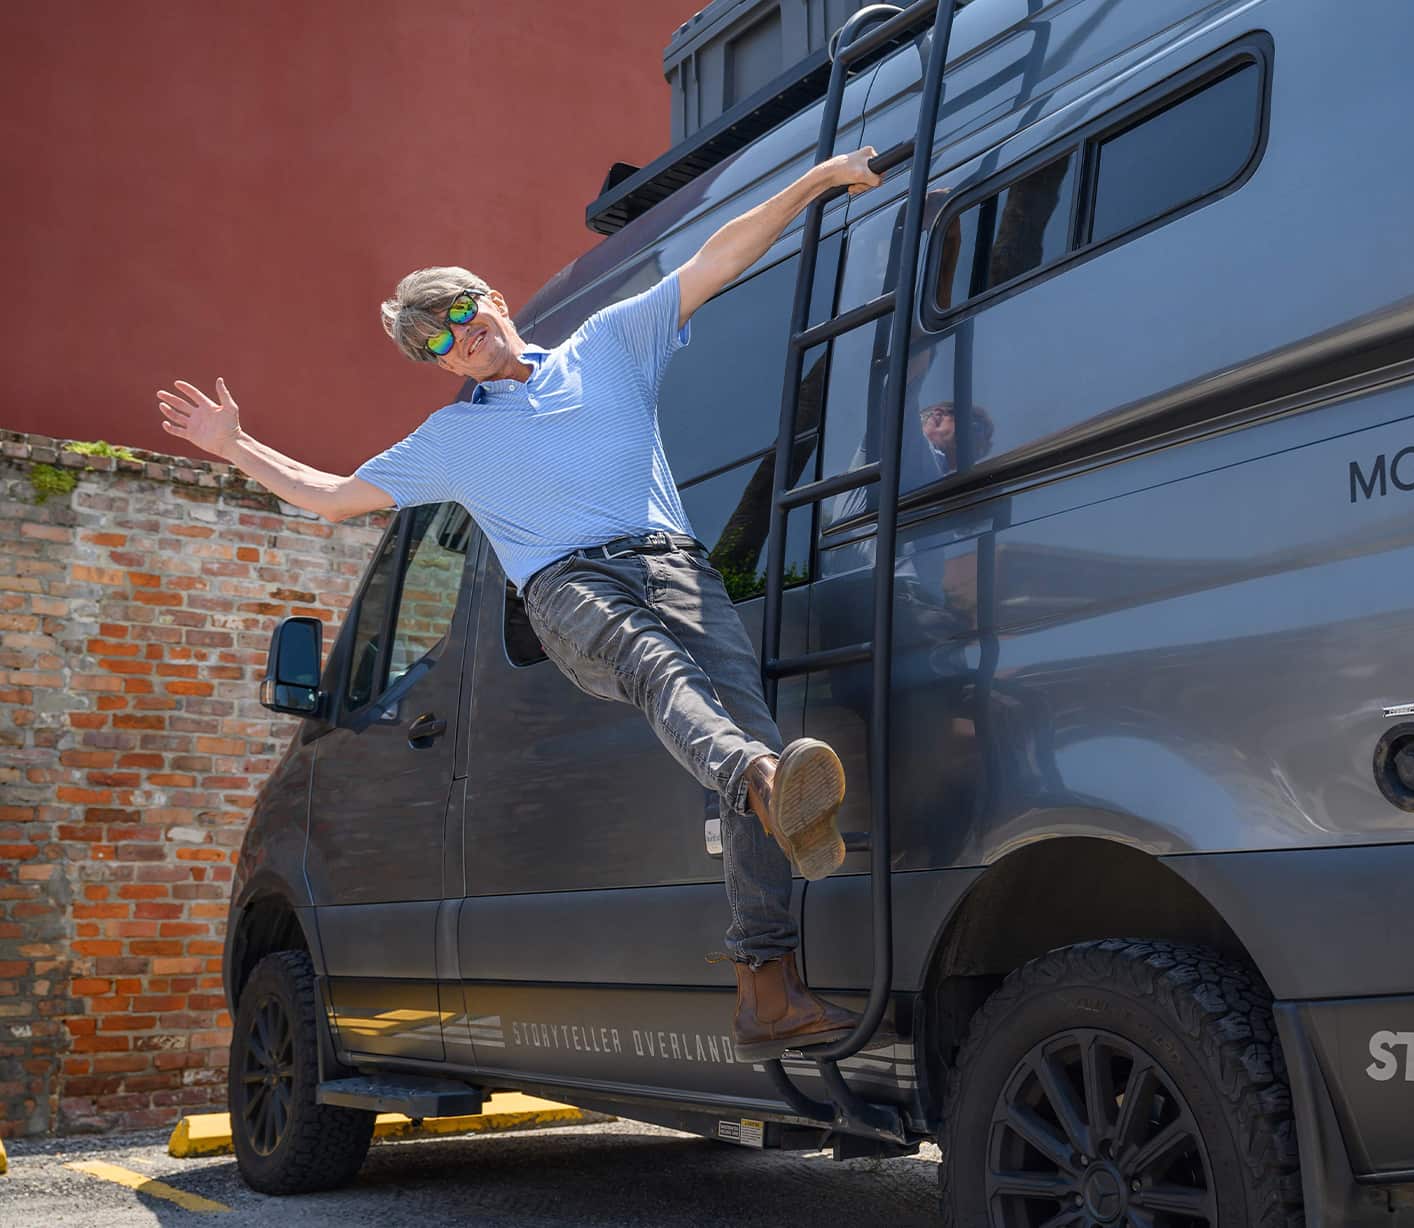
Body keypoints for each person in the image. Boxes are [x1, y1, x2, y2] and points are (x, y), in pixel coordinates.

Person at [156, 148, 886, 1062]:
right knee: (666, 680)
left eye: (458, 316)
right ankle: (764, 781)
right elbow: (334, 494)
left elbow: (717, 258)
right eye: (433, 344)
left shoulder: (609, 345)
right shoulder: (451, 439)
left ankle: (765, 991)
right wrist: (236, 446)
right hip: (568, 589)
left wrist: (816, 181)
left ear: (491, 298)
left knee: (742, 737)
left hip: (675, 566)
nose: (455, 341)